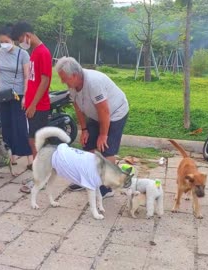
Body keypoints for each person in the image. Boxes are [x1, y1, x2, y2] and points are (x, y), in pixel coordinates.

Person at [55, 56, 129, 198]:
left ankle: (107, 188)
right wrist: (84, 129)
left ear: (75, 75)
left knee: (106, 149)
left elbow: (104, 111)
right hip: (95, 114)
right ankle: (87, 180)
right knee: (88, 144)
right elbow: (77, 106)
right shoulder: (72, 86)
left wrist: (103, 135)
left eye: (64, 78)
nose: (62, 81)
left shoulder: (94, 82)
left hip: (114, 113)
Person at [11, 21, 52, 193]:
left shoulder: (43, 52)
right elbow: (33, 81)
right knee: (32, 141)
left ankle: (40, 179)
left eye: (20, 38)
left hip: (40, 106)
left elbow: (45, 80)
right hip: (32, 105)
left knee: (37, 143)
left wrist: (34, 104)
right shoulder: (34, 53)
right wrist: (27, 102)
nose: (21, 42)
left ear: (27, 35)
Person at [0, 24, 32, 167]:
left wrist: (26, 96)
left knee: (19, 125)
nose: (4, 45)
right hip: (3, 93)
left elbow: (27, 76)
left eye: (6, 41)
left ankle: (29, 158)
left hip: (18, 94)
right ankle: (9, 157)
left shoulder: (23, 54)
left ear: (13, 40)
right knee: (6, 125)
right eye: (1, 42)